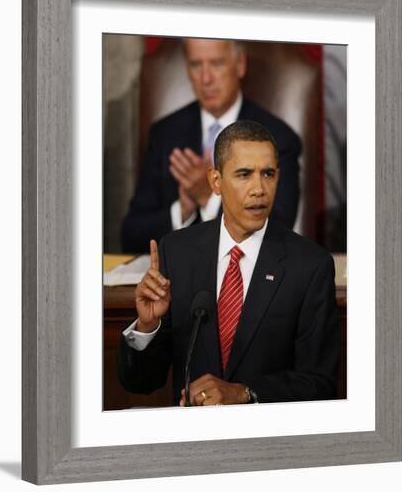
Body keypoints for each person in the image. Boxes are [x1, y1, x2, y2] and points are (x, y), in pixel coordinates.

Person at [118, 120, 339, 406]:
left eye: (268, 174)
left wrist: (245, 393)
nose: (259, 189)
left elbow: (320, 384)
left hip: (270, 441)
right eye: (244, 174)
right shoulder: (177, 252)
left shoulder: (310, 266)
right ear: (216, 182)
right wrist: (148, 326)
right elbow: (142, 382)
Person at [120, 38, 302, 253]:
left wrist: (210, 197)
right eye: (196, 65)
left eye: (216, 64)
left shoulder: (277, 138)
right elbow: (131, 235)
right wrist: (183, 209)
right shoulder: (164, 134)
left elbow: (278, 230)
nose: (206, 79)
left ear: (240, 65)